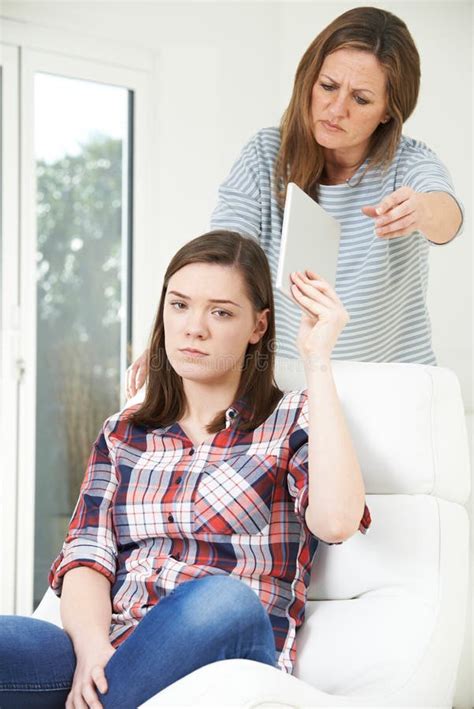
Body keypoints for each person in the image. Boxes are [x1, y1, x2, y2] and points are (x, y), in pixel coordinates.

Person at [0, 230, 371, 708]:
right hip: (114, 648)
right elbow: (87, 558)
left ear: (259, 325)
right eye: (179, 305)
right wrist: (93, 650)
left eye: (221, 312)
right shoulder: (124, 432)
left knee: (223, 600)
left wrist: (318, 360)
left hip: (217, 653)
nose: (194, 327)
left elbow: (337, 522)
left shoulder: (293, 418)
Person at [126, 5, 464, 399]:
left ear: (389, 110)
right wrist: (171, 340)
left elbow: (448, 216)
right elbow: (219, 255)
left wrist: (421, 210)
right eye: (328, 87)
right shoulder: (265, 155)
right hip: (285, 382)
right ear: (309, 79)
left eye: (361, 98)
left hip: (391, 384)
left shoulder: (408, 162)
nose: (337, 110)